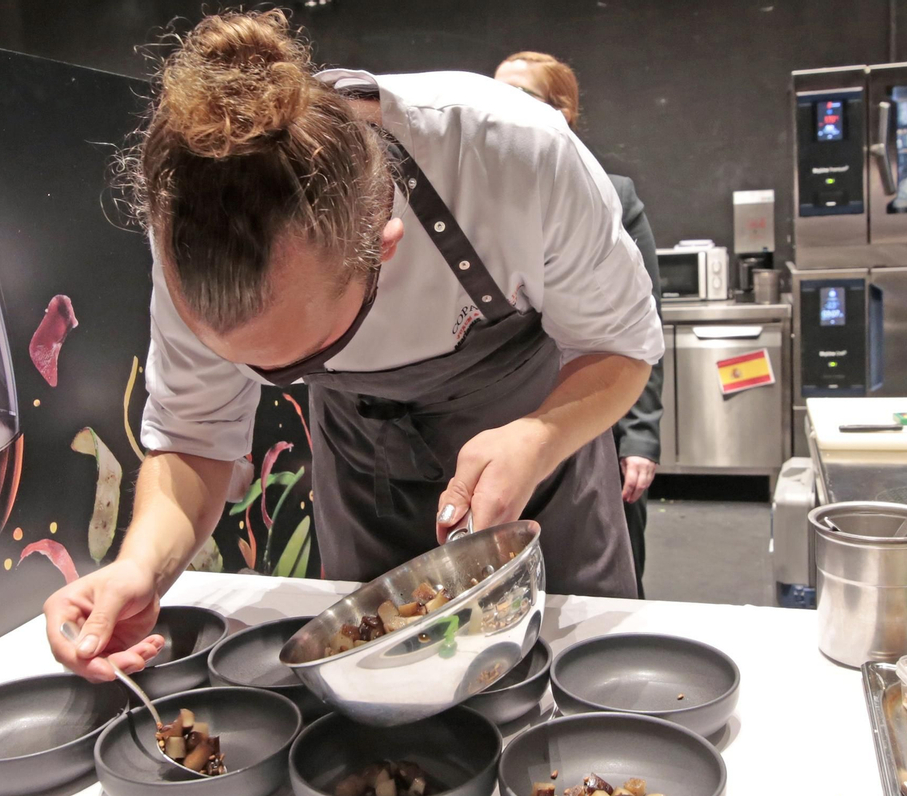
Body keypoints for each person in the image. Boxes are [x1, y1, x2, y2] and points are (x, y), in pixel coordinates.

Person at [44, 10, 661, 680]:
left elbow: (621, 348)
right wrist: (139, 567)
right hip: (364, 486)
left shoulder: (510, 153)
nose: (271, 377)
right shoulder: (196, 217)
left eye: (305, 358)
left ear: (384, 246)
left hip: (545, 483)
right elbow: (193, 440)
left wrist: (539, 437)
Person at [495, 51, 662, 596]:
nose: (498, 108)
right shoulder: (479, 198)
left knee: (609, 567)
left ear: (561, 112)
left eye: (519, 96)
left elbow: (639, 325)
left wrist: (639, 436)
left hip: (594, 406)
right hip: (511, 415)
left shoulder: (612, 194)